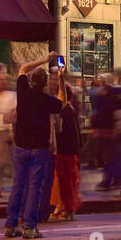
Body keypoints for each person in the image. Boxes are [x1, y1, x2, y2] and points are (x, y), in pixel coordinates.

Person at [4, 52, 63, 239]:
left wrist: (44, 60)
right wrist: (61, 79)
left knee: (18, 186)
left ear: (31, 81)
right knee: (35, 187)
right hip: (39, 149)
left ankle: (11, 225)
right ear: (45, 84)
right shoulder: (47, 101)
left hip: (20, 146)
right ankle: (30, 227)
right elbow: (63, 102)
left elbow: (22, 69)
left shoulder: (23, 93)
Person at [51, 74, 82, 220]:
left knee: (65, 182)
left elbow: (65, 132)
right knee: (67, 181)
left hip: (64, 150)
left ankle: (68, 209)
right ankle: (64, 206)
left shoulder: (64, 110)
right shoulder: (70, 109)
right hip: (69, 150)